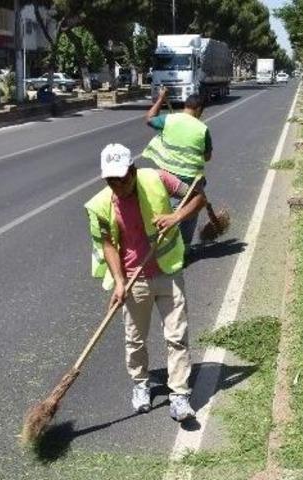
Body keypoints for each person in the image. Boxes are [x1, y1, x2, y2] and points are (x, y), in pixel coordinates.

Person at [84, 143, 206, 420]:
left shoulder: (158, 179)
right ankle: (141, 383)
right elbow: (108, 244)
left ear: (133, 170)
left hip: (168, 272)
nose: (117, 185)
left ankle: (179, 395)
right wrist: (119, 281)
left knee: (177, 336)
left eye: (121, 179)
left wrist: (176, 216)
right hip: (133, 279)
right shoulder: (101, 205)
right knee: (135, 338)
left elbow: (199, 197)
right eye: (110, 180)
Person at [142, 88, 213, 246]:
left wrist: (161, 98)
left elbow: (149, 118)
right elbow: (207, 157)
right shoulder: (202, 129)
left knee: (163, 207)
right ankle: (185, 247)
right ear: (199, 109)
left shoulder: (169, 119)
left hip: (165, 176)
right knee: (191, 209)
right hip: (188, 181)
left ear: (186, 105)